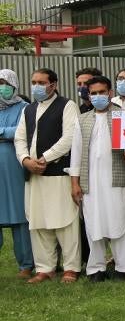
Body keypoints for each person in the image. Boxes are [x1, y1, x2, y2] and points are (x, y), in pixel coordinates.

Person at [14, 67, 81, 283]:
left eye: (41, 82)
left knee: (65, 221)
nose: (37, 86)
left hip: (57, 173)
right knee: (38, 221)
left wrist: (45, 158)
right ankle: (45, 268)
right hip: (33, 175)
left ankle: (71, 267)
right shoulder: (28, 110)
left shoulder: (67, 106)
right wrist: (26, 160)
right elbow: (20, 139)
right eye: (34, 82)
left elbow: (70, 137)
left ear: (54, 84)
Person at [69, 76, 125, 282]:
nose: (98, 96)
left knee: (119, 221)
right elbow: (76, 153)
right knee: (93, 223)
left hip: (117, 179)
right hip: (91, 182)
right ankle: (96, 268)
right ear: (89, 95)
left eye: (102, 92)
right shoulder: (82, 119)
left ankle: (122, 267)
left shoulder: (124, 116)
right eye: (94, 93)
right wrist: (74, 183)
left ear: (110, 93)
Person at [0, 68, 33, 279]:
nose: (2, 87)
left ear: (14, 85)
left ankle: (26, 264)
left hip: (14, 168)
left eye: (5, 83)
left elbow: (23, 132)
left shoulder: (25, 108)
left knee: (20, 216)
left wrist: (3, 132)